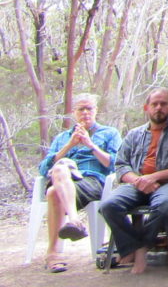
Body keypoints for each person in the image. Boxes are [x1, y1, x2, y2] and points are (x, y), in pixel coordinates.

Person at [99, 87, 168, 275]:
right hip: (135, 184)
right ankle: (135, 247)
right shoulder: (134, 134)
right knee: (108, 206)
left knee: (166, 205)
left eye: (163, 104)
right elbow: (121, 165)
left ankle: (140, 247)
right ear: (146, 108)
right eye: (154, 104)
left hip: (167, 184)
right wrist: (138, 180)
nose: (159, 108)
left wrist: (154, 177)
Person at [37, 92, 122, 273]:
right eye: (81, 109)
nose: (85, 113)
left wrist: (91, 145)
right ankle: (74, 221)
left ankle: (53, 253)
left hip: (92, 181)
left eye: (89, 108)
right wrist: (70, 145)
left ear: (96, 110)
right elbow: (44, 169)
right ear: (74, 112)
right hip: (63, 181)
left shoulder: (109, 133)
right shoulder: (62, 138)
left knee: (53, 193)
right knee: (59, 171)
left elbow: (115, 164)